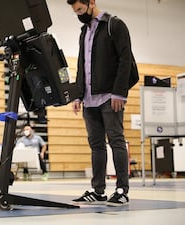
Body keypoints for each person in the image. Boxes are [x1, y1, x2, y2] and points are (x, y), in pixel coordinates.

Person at [67, 0, 133, 206]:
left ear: (91, 2)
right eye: (75, 11)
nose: (78, 14)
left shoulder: (115, 24)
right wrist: (77, 95)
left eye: (80, 9)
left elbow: (125, 60)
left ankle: (122, 189)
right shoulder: (83, 32)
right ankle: (98, 190)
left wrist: (119, 93)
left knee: (116, 140)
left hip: (110, 96)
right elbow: (81, 64)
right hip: (89, 99)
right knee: (96, 145)